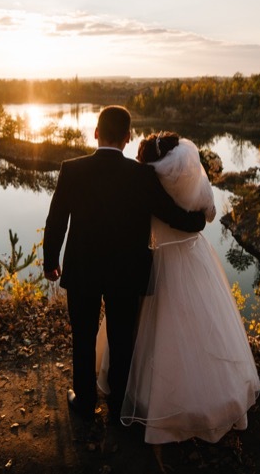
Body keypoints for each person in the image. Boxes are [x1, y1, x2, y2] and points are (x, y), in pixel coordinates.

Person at [43, 106, 208, 422]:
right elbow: (170, 214)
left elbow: (56, 220)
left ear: (96, 133)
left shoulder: (71, 170)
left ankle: (85, 400)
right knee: (122, 339)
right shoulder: (142, 175)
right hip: (127, 274)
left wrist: (51, 260)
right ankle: (119, 403)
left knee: (83, 336)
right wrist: (199, 220)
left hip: (83, 271)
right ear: (127, 137)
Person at [100, 131, 260, 444]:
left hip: (161, 259)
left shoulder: (147, 181)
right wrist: (197, 218)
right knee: (203, 320)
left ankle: (150, 396)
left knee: (157, 323)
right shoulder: (187, 179)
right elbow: (204, 217)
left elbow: (157, 215)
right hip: (193, 253)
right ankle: (214, 391)